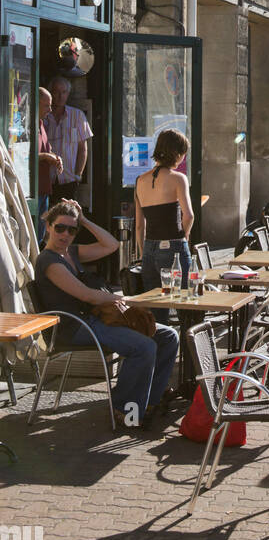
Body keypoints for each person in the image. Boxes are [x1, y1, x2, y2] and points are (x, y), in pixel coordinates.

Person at [35, 199, 178, 428]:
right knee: (144, 347)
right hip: (73, 327)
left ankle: (150, 401)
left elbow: (111, 244)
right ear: (48, 226)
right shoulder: (49, 260)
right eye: (60, 227)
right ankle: (125, 410)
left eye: (72, 230)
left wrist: (84, 219)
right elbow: (87, 296)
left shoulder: (71, 252)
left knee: (168, 335)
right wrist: (125, 299)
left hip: (95, 320)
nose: (65, 234)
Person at [135, 129, 194, 310]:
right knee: (185, 302)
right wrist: (184, 237)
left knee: (154, 308)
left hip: (149, 249)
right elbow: (189, 215)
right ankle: (185, 338)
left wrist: (143, 251)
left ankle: (159, 338)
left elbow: (139, 225)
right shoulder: (178, 179)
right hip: (173, 245)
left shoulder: (140, 180)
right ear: (177, 153)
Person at [43, 76, 92, 206]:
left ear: (68, 94)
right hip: (46, 180)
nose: (60, 96)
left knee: (69, 219)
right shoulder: (43, 116)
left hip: (69, 180)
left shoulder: (77, 116)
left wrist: (78, 175)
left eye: (64, 92)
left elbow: (83, 149)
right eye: (56, 92)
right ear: (50, 93)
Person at [37, 86, 63, 239]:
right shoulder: (26, 124)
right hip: (32, 191)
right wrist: (47, 156)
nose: (50, 109)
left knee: (40, 236)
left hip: (44, 188)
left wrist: (55, 157)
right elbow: (21, 155)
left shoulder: (41, 123)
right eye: (46, 105)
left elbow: (47, 149)